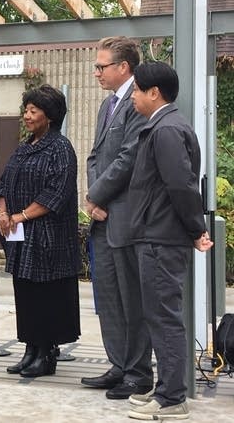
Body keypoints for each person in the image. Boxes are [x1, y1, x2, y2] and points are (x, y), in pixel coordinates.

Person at [126, 61, 213, 420]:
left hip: (163, 237)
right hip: (157, 234)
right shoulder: (163, 126)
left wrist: (196, 229)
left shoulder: (166, 130)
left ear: (153, 93)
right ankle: (166, 391)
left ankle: (173, 397)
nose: (131, 97)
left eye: (135, 90)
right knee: (159, 315)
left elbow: (181, 185)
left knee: (164, 317)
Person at [82, 36, 153, 399]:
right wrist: (94, 200)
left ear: (123, 67)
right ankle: (119, 364)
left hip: (126, 216)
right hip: (102, 217)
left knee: (131, 298)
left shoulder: (137, 103)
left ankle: (139, 374)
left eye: (101, 65)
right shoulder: (106, 106)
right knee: (108, 296)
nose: (96, 72)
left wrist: (97, 194)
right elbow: (95, 156)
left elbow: (130, 158)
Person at [0, 85, 80, 378]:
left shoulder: (61, 148)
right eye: (26, 110)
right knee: (26, 294)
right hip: (21, 236)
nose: (27, 116)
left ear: (50, 116)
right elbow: (4, 183)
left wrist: (21, 215)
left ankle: (45, 354)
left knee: (46, 296)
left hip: (49, 237)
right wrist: (3, 212)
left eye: (34, 111)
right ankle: (30, 349)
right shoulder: (24, 146)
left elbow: (57, 192)